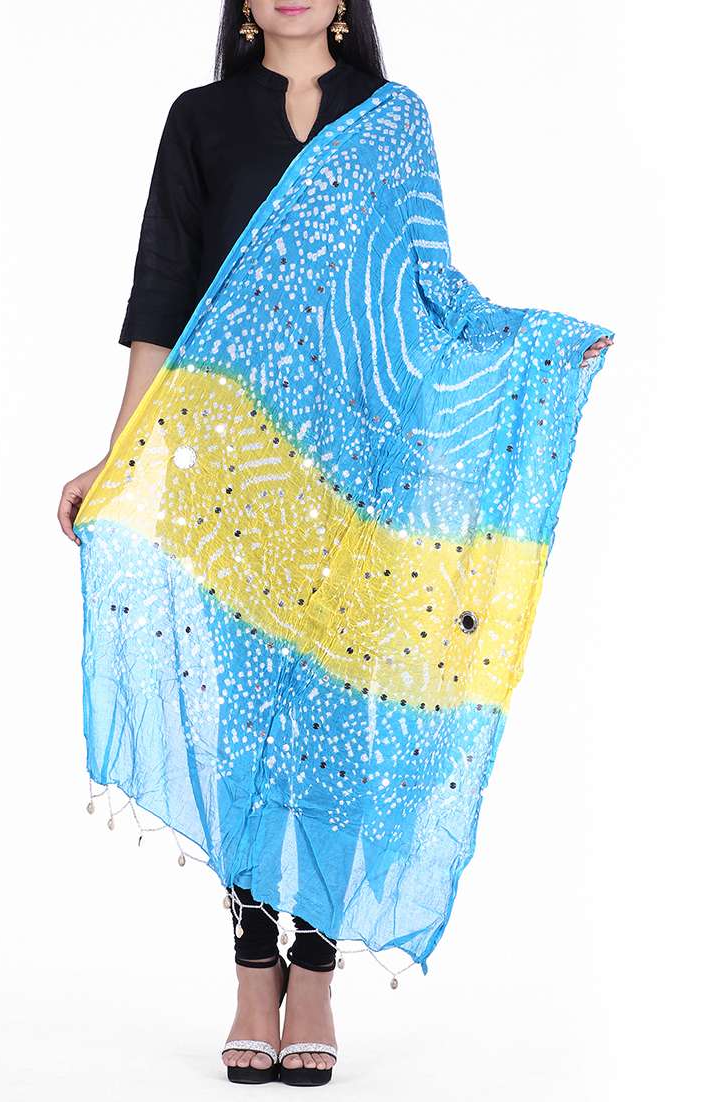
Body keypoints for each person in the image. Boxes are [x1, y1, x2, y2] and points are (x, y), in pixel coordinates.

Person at [58, 1, 613, 1088]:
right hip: (235, 463)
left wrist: (537, 347)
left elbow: (430, 291)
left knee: (337, 725)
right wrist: (120, 452)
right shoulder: (200, 119)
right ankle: (249, 976)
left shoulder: (392, 119)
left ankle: (311, 978)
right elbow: (163, 292)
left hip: (367, 465)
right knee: (247, 723)